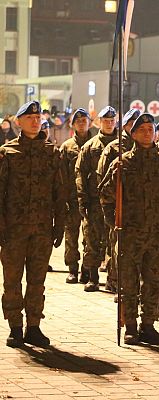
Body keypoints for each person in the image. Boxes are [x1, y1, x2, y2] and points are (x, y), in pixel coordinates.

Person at [100, 113, 159, 345]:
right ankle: (131, 325)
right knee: (128, 282)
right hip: (130, 233)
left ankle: (149, 324)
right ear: (133, 134)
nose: (147, 133)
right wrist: (114, 225)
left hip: (157, 234)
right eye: (142, 129)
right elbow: (106, 196)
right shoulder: (122, 163)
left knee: (154, 281)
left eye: (150, 129)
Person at [0, 101, 67, 347]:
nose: (35, 120)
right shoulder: (7, 153)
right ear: (19, 122)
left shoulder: (52, 153)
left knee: (37, 280)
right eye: (29, 117)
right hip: (14, 230)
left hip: (41, 229)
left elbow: (60, 193)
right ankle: (15, 326)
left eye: (38, 117)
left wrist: (59, 225)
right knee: (12, 280)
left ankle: (34, 326)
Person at [97, 108, 140, 293]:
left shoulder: (146, 146)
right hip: (119, 206)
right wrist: (109, 209)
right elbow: (103, 179)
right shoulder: (114, 148)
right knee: (117, 246)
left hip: (139, 209)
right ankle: (115, 280)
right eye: (132, 124)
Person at [75, 106, 118, 292]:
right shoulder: (90, 146)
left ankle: (112, 278)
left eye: (112, 120)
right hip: (94, 201)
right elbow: (80, 174)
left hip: (115, 202)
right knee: (92, 239)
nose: (109, 123)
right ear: (99, 122)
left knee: (113, 241)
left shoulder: (121, 145)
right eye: (105, 120)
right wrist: (82, 198)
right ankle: (92, 276)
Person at [60, 108, 92, 284]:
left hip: (90, 198)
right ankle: (72, 268)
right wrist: (62, 198)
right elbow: (62, 175)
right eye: (78, 121)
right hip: (72, 198)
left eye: (84, 120)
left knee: (90, 236)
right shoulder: (67, 147)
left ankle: (86, 269)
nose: (81, 123)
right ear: (73, 125)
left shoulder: (95, 144)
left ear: (90, 122)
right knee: (71, 234)